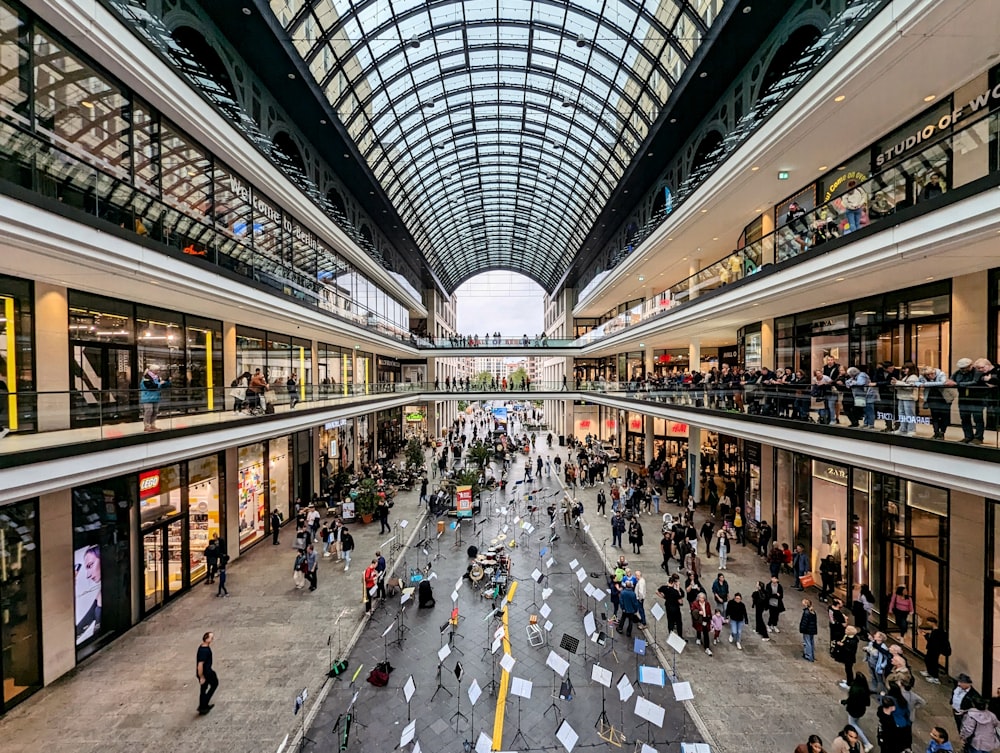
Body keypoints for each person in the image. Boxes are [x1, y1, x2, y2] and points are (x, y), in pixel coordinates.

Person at [843, 671, 874, 752]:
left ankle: (867, 743)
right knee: (855, 722)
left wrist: (843, 702)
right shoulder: (865, 689)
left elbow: (850, 700)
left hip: (853, 710)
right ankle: (857, 733)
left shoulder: (855, 689)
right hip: (861, 710)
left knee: (852, 724)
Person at [920, 617, 950, 684]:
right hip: (933, 649)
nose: (927, 623)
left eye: (928, 622)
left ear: (932, 622)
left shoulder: (936, 632)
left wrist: (925, 636)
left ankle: (935, 677)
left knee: (932, 662)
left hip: (934, 650)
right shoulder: (936, 630)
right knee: (928, 660)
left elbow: (932, 641)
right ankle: (930, 672)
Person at [139, 365, 170, 432]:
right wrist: (160, 384)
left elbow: (162, 385)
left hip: (156, 397)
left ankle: (152, 425)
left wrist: (166, 382)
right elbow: (150, 386)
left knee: (155, 411)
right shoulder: (146, 378)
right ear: (152, 370)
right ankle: (147, 426)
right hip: (147, 398)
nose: (158, 371)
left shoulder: (157, 378)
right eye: (157, 370)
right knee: (148, 411)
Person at [196, 631, 218, 715]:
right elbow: (200, 664)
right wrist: (201, 676)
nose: (212, 639)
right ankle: (204, 705)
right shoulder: (204, 651)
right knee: (214, 684)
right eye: (211, 638)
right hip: (206, 672)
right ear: (206, 638)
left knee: (203, 688)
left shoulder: (202, 647)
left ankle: (202, 705)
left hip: (204, 672)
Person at [658, 574, 685, 639]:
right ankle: (680, 636)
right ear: (673, 583)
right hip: (675, 608)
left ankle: (671, 635)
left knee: (670, 621)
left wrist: (664, 597)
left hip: (668, 606)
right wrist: (678, 589)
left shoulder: (664, 588)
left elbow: (657, 591)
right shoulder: (675, 591)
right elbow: (680, 601)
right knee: (678, 622)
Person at [800, 598, 818, 662]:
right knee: (811, 642)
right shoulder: (813, 611)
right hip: (812, 630)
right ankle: (811, 655)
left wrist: (802, 629)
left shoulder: (806, 612)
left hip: (807, 630)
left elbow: (804, 622)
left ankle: (808, 655)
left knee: (807, 642)